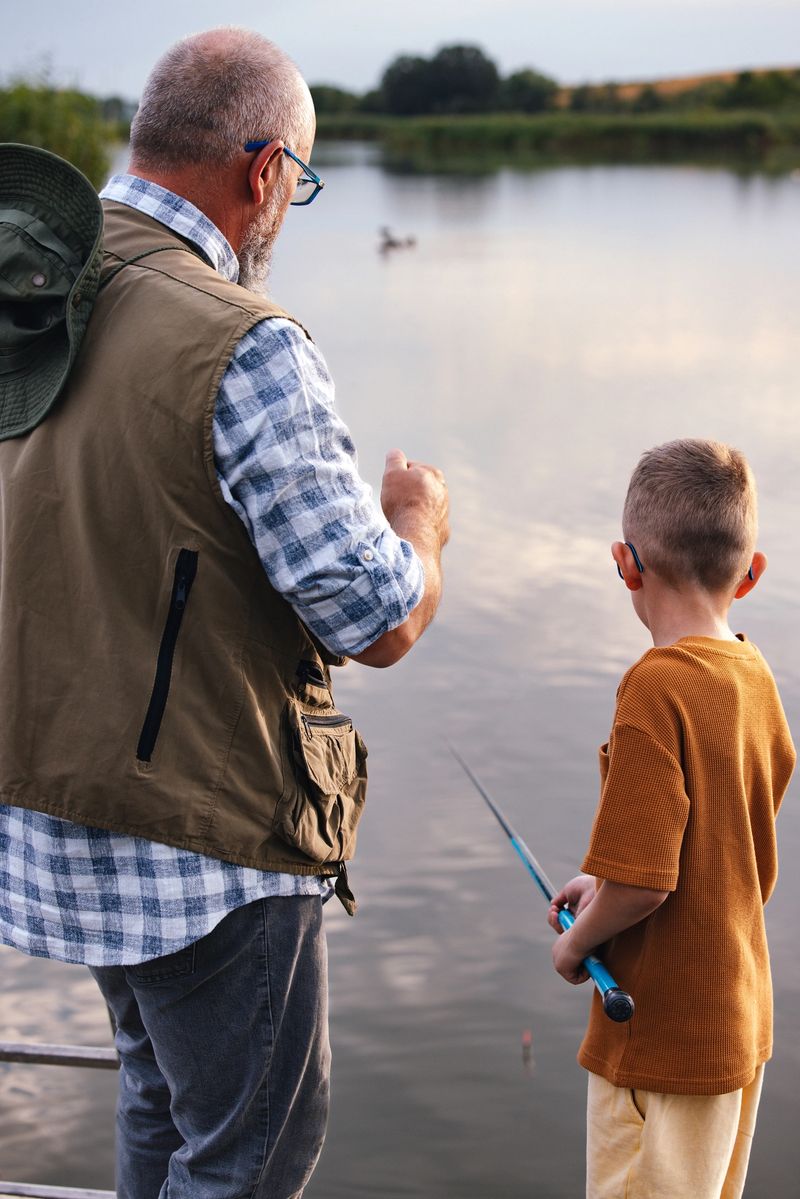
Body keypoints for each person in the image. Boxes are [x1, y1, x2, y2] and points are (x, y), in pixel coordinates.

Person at [0, 27, 449, 1199]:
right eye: (295, 184)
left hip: (54, 807)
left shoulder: (28, 287)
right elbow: (373, 617)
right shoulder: (243, 343)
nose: (285, 213)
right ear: (262, 172)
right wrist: (421, 528)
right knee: (250, 1157)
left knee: (159, 1103)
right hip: (205, 843)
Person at [547, 439, 795, 1199]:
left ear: (626, 563)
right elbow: (718, 835)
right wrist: (604, 875)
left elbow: (648, 884)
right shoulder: (754, 675)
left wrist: (577, 945)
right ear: (749, 574)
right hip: (738, 1023)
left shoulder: (655, 689)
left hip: (660, 1038)